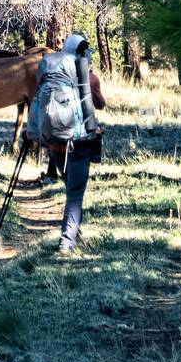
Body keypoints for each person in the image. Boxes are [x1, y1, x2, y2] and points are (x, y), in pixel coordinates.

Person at [48, 33, 105, 254]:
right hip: (80, 141)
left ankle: (74, 230)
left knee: (69, 185)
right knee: (74, 193)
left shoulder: (51, 74)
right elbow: (100, 104)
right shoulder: (90, 78)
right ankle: (66, 242)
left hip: (55, 140)